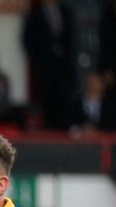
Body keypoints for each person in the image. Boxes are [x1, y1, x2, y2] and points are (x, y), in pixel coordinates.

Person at [22, 0, 76, 129]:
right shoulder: (35, 13)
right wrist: (39, 58)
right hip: (44, 69)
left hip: (63, 68)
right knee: (45, 101)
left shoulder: (65, 12)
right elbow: (27, 39)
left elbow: (71, 40)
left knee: (63, 101)